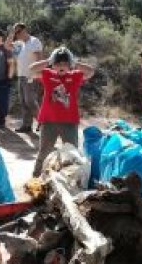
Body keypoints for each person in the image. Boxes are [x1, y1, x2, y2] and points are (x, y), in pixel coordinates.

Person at [28, 46, 95, 177]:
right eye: (58, 63)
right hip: (49, 121)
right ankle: (36, 177)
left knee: (71, 153)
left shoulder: (75, 76)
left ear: (69, 65)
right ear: (53, 65)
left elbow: (91, 72)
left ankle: (72, 179)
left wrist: (75, 62)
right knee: (44, 151)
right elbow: (31, 69)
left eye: (65, 63)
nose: (61, 66)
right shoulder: (48, 74)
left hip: (69, 122)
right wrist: (48, 60)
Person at [8, 22, 43, 133]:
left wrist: (39, 74)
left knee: (30, 101)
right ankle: (27, 125)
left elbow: (39, 58)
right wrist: (12, 33)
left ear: (24, 30)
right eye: (16, 33)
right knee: (23, 102)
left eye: (18, 31)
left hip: (31, 76)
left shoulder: (34, 41)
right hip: (21, 75)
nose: (17, 35)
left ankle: (42, 123)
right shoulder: (20, 44)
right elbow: (7, 45)